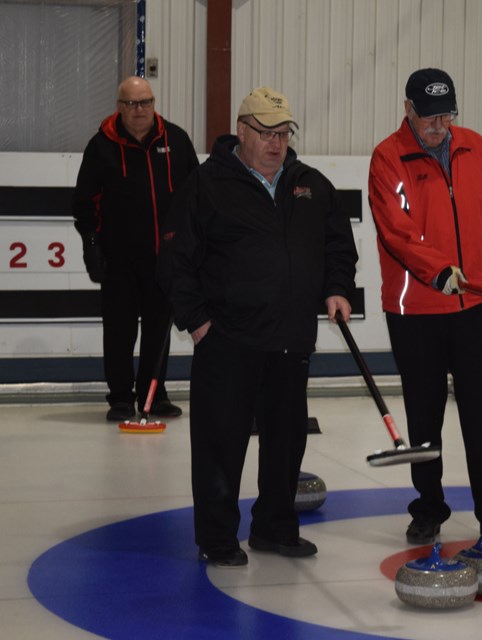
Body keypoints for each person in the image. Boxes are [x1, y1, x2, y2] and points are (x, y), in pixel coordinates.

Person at [158, 86, 358, 567]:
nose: (276, 143)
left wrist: (337, 288)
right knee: (219, 446)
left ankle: (275, 527)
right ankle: (219, 538)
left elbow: (337, 244)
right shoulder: (206, 185)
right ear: (242, 132)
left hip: (290, 338)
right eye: (266, 133)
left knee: (287, 442)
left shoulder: (310, 184)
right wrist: (197, 322)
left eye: (284, 133)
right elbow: (174, 259)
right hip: (227, 339)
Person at [368, 68, 482, 547]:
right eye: (429, 116)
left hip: (475, 302)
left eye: (446, 115)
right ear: (408, 110)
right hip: (416, 310)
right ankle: (429, 507)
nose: (439, 125)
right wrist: (439, 271)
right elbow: (397, 232)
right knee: (424, 416)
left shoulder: (475, 147)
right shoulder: (388, 157)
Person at [73, 76, 199, 422]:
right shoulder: (101, 146)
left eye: (145, 102)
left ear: (154, 103)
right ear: (119, 107)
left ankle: (153, 396)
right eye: (131, 103)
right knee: (119, 332)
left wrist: (191, 248)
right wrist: (92, 247)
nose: (139, 110)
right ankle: (120, 398)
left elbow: (196, 197)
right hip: (119, 262)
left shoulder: (177, 140)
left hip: (165, 261)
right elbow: (85, 203)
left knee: (159, 332)